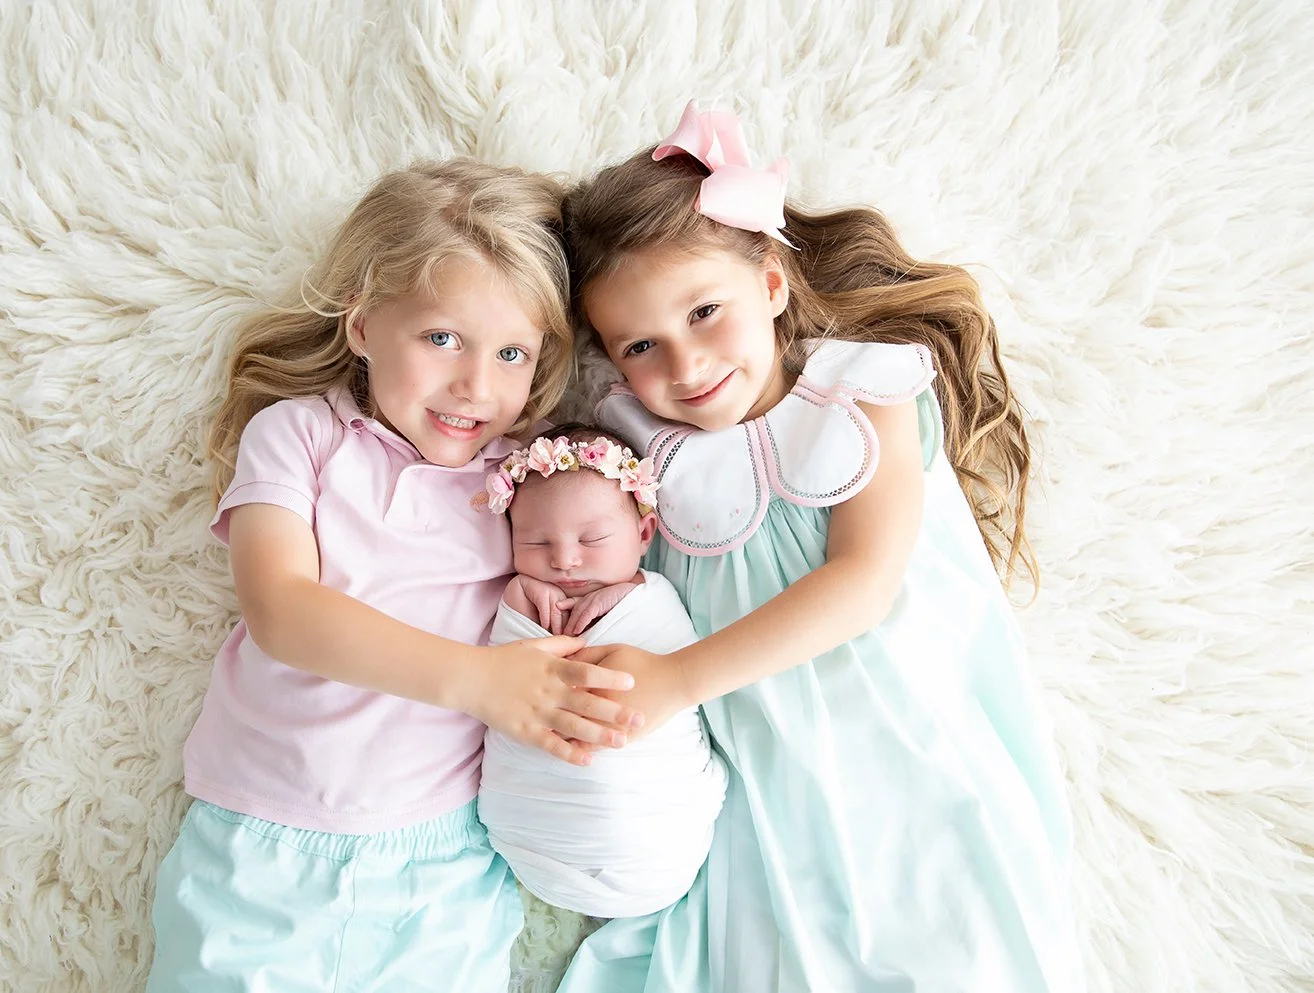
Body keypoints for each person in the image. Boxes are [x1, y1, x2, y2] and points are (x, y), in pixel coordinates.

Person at [555, 101, 1083, 992]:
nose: (684, 367)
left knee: (959, 950)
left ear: (769, 285)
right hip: (765, 790)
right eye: (641, 345)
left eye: (706, 312)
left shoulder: (862, 392)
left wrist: (676, 680)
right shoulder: (641, 451)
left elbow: (864, 585)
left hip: (910, 756)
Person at [144, 160, 643, 993]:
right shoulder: (298, 437)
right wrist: (482, 682)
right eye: (441, 337)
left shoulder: (530, 475)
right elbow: (282, 610)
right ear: (365, 323)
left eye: (512, 352)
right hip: (261, 844)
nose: (474, 385)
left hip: (442, 864)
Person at [475, 424, 728, 920]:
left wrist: (625, 594)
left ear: (644, 534)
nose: (565, 560)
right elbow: (500, 668)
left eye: (593, 539)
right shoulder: (520, 598)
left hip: (654, 836)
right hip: (533, 835)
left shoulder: (655, 601)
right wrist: (519, 599)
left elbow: (675, 660)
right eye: (535, 541)